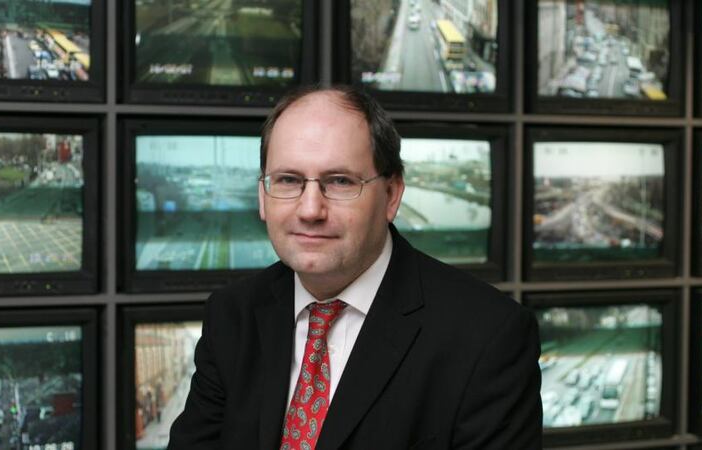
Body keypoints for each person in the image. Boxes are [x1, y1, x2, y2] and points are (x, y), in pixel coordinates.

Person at [167, 85, 542, 450]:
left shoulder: (489, 336)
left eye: (340, 181)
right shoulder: (233, 315)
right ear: (263, 197)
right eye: (288, 180)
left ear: (392, 196)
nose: (310, 209)